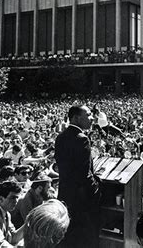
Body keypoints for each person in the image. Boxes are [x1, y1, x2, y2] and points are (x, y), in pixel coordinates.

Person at [54, 105, 101, 248]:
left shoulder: (60, 137)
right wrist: (97, 191)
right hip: (81, 200)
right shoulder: (82, 139)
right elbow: (84, 174)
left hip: (65, 195)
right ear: (75, 118)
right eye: (88, 115)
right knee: (86, 237)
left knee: (69, 237)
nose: (92, 118)